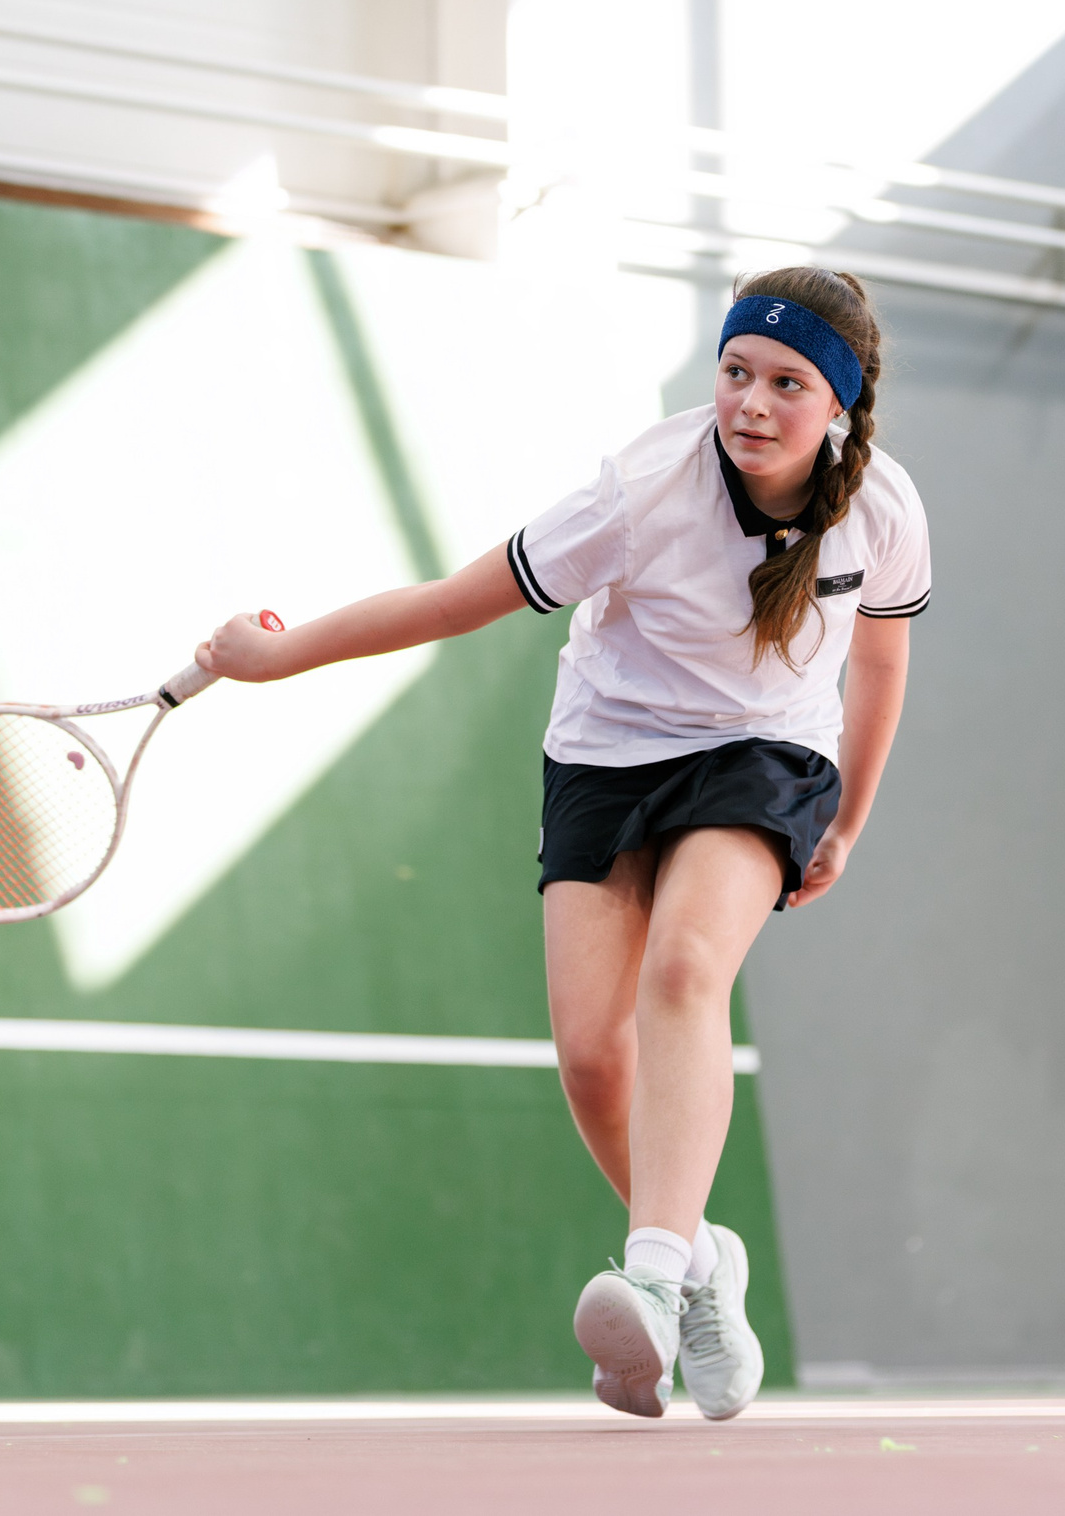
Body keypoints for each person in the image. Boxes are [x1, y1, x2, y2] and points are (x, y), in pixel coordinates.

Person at [198, 266, 930, 1421]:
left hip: (765, 750)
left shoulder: (880, 510)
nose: (749, 401)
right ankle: (699, 1265)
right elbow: (455, 599)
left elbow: (880, 661)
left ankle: (646, 1276)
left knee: (686, 973)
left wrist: (850, 814)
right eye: (735, 370)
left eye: (786, 384)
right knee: (593, 1056)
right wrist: (281, 657)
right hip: (606, 750)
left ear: (838, 404)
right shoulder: (644, 489)